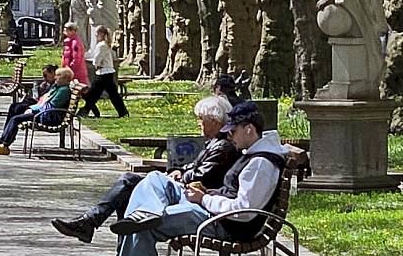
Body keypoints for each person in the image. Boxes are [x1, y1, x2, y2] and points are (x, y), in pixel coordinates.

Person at [84, 106, 289, 256]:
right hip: (215, 213)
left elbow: (243, 212)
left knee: (140, 228)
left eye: (232, 131)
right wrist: (208, 193)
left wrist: (205, 199)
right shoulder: (254, 155)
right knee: (156, 179)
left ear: (249, 129)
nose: (229, 135)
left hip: (224, 224)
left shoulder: (260, 163)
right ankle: (148, 213)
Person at [50, 96, 254, 242]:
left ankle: (90, 222)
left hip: (193, 195)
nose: (198, 123)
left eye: (201, 119)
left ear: (214, 121)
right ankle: (95, 230)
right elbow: (195, 167)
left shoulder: (224, 146)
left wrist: (181, 174)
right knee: (126, 195)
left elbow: (204, 175)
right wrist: (181, 171)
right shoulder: (215, 142)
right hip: (188, 189)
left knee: (129, 181)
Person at [0, 67, 71, 154]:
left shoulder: (63, 91)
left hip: (49, 117)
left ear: (64, 78)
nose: (55, 78)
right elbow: (44, 103)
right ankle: (1, 143)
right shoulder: (57, 88)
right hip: (44, 114)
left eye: (58, 76)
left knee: (16, 119)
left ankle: (4, 145)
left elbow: (49, 106)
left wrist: (32, 110)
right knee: (15, 115)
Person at [80, 27, 128, 117]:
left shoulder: (101, 45)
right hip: (107, 72)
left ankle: (85, 110)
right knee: (109, 94)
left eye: (97, 34)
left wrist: (95, 64)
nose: (95, 35)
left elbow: (97, 59)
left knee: (92, 94)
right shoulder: (105, 44)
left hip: (103, 72)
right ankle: (123, 112)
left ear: (102, 34)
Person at [61, 24, 88, 98]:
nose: (65, 31)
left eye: (67, 29)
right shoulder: (68, 42)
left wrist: (70, 69)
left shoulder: (75, 42)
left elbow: (76, 58)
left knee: (80, 90)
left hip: (76, 71)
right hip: (68, 70)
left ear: (73, 31)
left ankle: (88, 106)